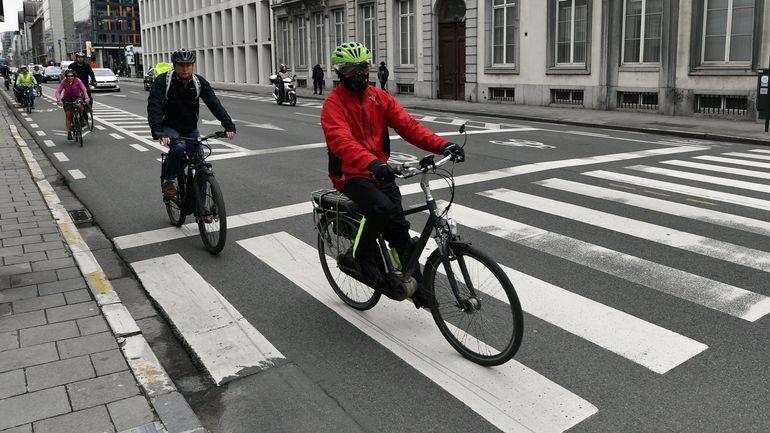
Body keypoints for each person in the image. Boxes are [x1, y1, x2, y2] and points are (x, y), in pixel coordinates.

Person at [320, 42, 465, 307]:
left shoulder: (378, 97)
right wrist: (372, 163)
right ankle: (360, 256)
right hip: (349, 174)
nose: (360, 74)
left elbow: (408, 126)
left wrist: (443, 144)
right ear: (340, 73)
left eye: (363, 66)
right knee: (380, 207)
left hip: (379, 172)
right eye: (352, 69)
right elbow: (341, 141)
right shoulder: (333, 104)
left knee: (399, 229)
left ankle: (419, 289)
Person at [148, 48, 237, 199]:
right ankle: (168, 180)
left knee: (201, 166)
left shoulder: (198, 82)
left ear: (193, 66)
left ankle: (204, 210)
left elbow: (214, 103)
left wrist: (228, 125)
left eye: (188, 65)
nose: (185, 68)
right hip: (170, 127)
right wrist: (158, 131)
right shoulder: (164, 81)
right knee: (178, 147)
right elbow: (154, 106)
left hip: (190, 128)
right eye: (181, 65)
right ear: (174, 65)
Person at [54, 69, 90, 140]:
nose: (70, 77)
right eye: (68, 76)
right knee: (68, 116)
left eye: (72, 76)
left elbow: (83, 90)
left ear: (74, 76)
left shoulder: (78, 81)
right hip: (67, 99)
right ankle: (69, 132)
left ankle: (82, 118)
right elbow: (58, 91)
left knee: (79, 105)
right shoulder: (64, 82)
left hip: (77, 97)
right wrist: (59, 100)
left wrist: (86, 98)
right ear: (66, 77)